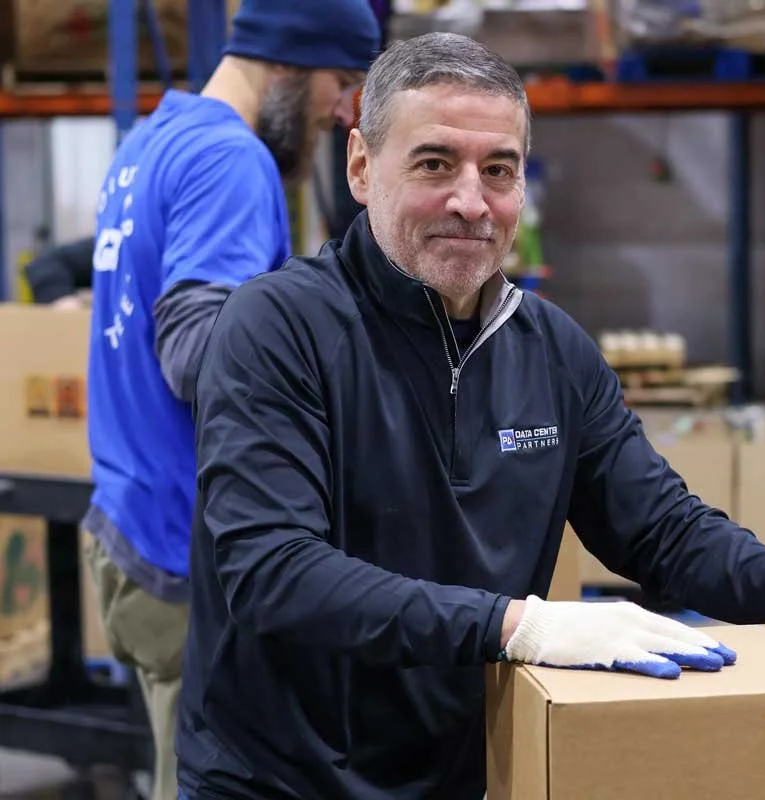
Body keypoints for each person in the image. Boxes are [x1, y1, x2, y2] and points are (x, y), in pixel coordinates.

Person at [178, 32, 765, 800]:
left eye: (499, 170)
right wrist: (523, 627)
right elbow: (273, 572)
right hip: (277, 780)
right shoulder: (276, 329)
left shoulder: (549, 351)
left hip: (455, 776)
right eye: (433, 164)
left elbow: (661, 530)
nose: (469, 202)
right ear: (359, 166)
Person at [81, 2, 379, 799]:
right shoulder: (230, 161)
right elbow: (194, 353)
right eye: (340, 81)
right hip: (184, 550)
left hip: (129, 526)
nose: (340, 110)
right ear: (288, 63)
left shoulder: (155, 137)